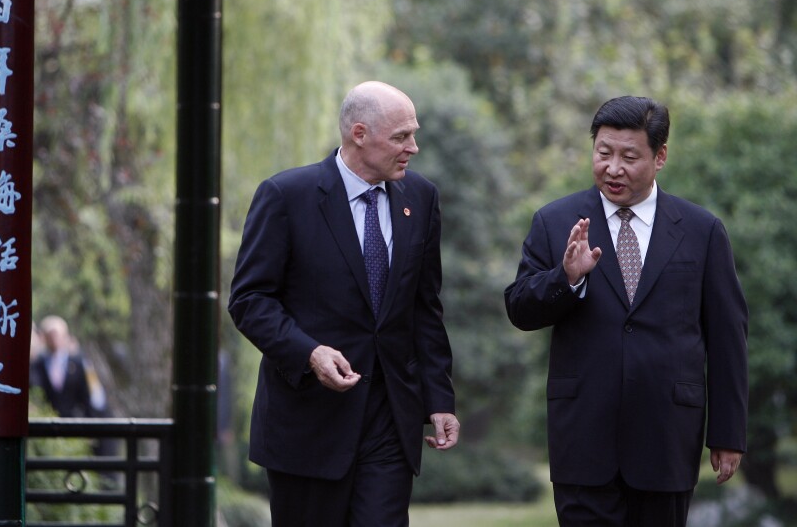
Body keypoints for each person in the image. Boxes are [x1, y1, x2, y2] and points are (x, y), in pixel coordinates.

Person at [504, 96, 748, 526]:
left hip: (667, 436)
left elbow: (727, 335)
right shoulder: (556, 221)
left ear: (660, 157)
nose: (613, 168)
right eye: (603, 153)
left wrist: (728, 434)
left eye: (629, 156)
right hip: (583, 439)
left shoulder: (701, 230)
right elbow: (520, 309)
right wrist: (567, 279)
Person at [228, 81, 460, 526]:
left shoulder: (421, 198)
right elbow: (250, 300)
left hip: (391, 420)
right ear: (359, 133)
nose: (413, 147)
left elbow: (424, 308)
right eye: (400, 137)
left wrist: (439, 399)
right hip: (309, 423)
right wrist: (310, 352)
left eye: (412, 134)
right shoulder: (286, 196)